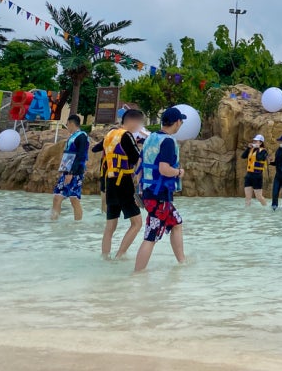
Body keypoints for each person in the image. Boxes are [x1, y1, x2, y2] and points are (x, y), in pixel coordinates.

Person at [134, 107, 186, 272]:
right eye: (181, 121)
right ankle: (137, 274)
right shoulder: (168, 141)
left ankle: (182, 263)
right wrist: (178, 172)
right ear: (177, 122)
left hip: (150, 192)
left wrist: (140, 189)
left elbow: (140, 165)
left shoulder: (151, 138)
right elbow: (164, 169)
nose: (181, 124)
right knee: (151, 236)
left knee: (176, 223)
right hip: (159, 196)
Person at [99, 108, 144, 259]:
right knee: (137, 223)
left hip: (110, 183)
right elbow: (136, 158)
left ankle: (105, 257)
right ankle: (120, 255)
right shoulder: (127, 135)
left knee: (110, 226)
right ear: (132, 121)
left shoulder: (110, 134)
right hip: (124, 183)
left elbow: (95, 148)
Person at [51, 114, 89, 221]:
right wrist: (64, 170)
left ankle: (77, 225)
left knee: (74, 199)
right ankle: (53, 223)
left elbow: (80, 155)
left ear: (72, 123)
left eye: (67, 124)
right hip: (67, 171)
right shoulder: (73, 136)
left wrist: (71, 173)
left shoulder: (82, 136)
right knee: (57, 197)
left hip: (75, 172)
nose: (67, 126)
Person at [241, 134, 268, 206]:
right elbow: (243, 156)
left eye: (256, 141)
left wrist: (258, 148)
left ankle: (265, 207)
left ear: (261, 142)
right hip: (249, 175)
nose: (254, 142)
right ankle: (247, 211)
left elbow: (259, 158)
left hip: (257, 175)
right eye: (254, 141)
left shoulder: (264, 151)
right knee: (247, 198)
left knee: (259, 197)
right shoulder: (251, 149)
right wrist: (248, 148)